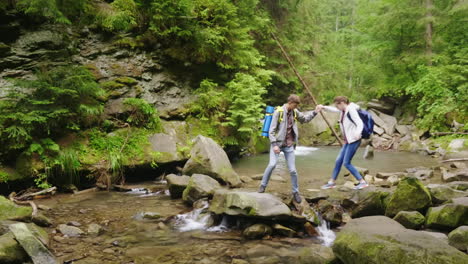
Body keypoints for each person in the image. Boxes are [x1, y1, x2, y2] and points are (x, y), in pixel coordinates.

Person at [258, 94, 320, 203]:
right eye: (295, 105)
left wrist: (315, 112)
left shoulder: (295, 112)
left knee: (293, 170)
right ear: (290, 103)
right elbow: (271, 131)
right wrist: (274, 145)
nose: (296, 107)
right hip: (277, 144)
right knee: (272, 164)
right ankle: (263, 185)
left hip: (289, 145)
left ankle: (295, 192)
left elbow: (305, 119)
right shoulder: (279, 112)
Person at [317, 96, 369, 190]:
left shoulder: (351, 110)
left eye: (337, 105)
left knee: (346, 163)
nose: (337, 108)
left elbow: (359, 123)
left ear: (341, 103)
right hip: (348, 141)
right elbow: (334, 110)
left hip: (354, 140)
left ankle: (362, 182)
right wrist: (323, 107)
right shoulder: (343, 110)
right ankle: (331, 182)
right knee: (338, 161)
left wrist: (357, 133)